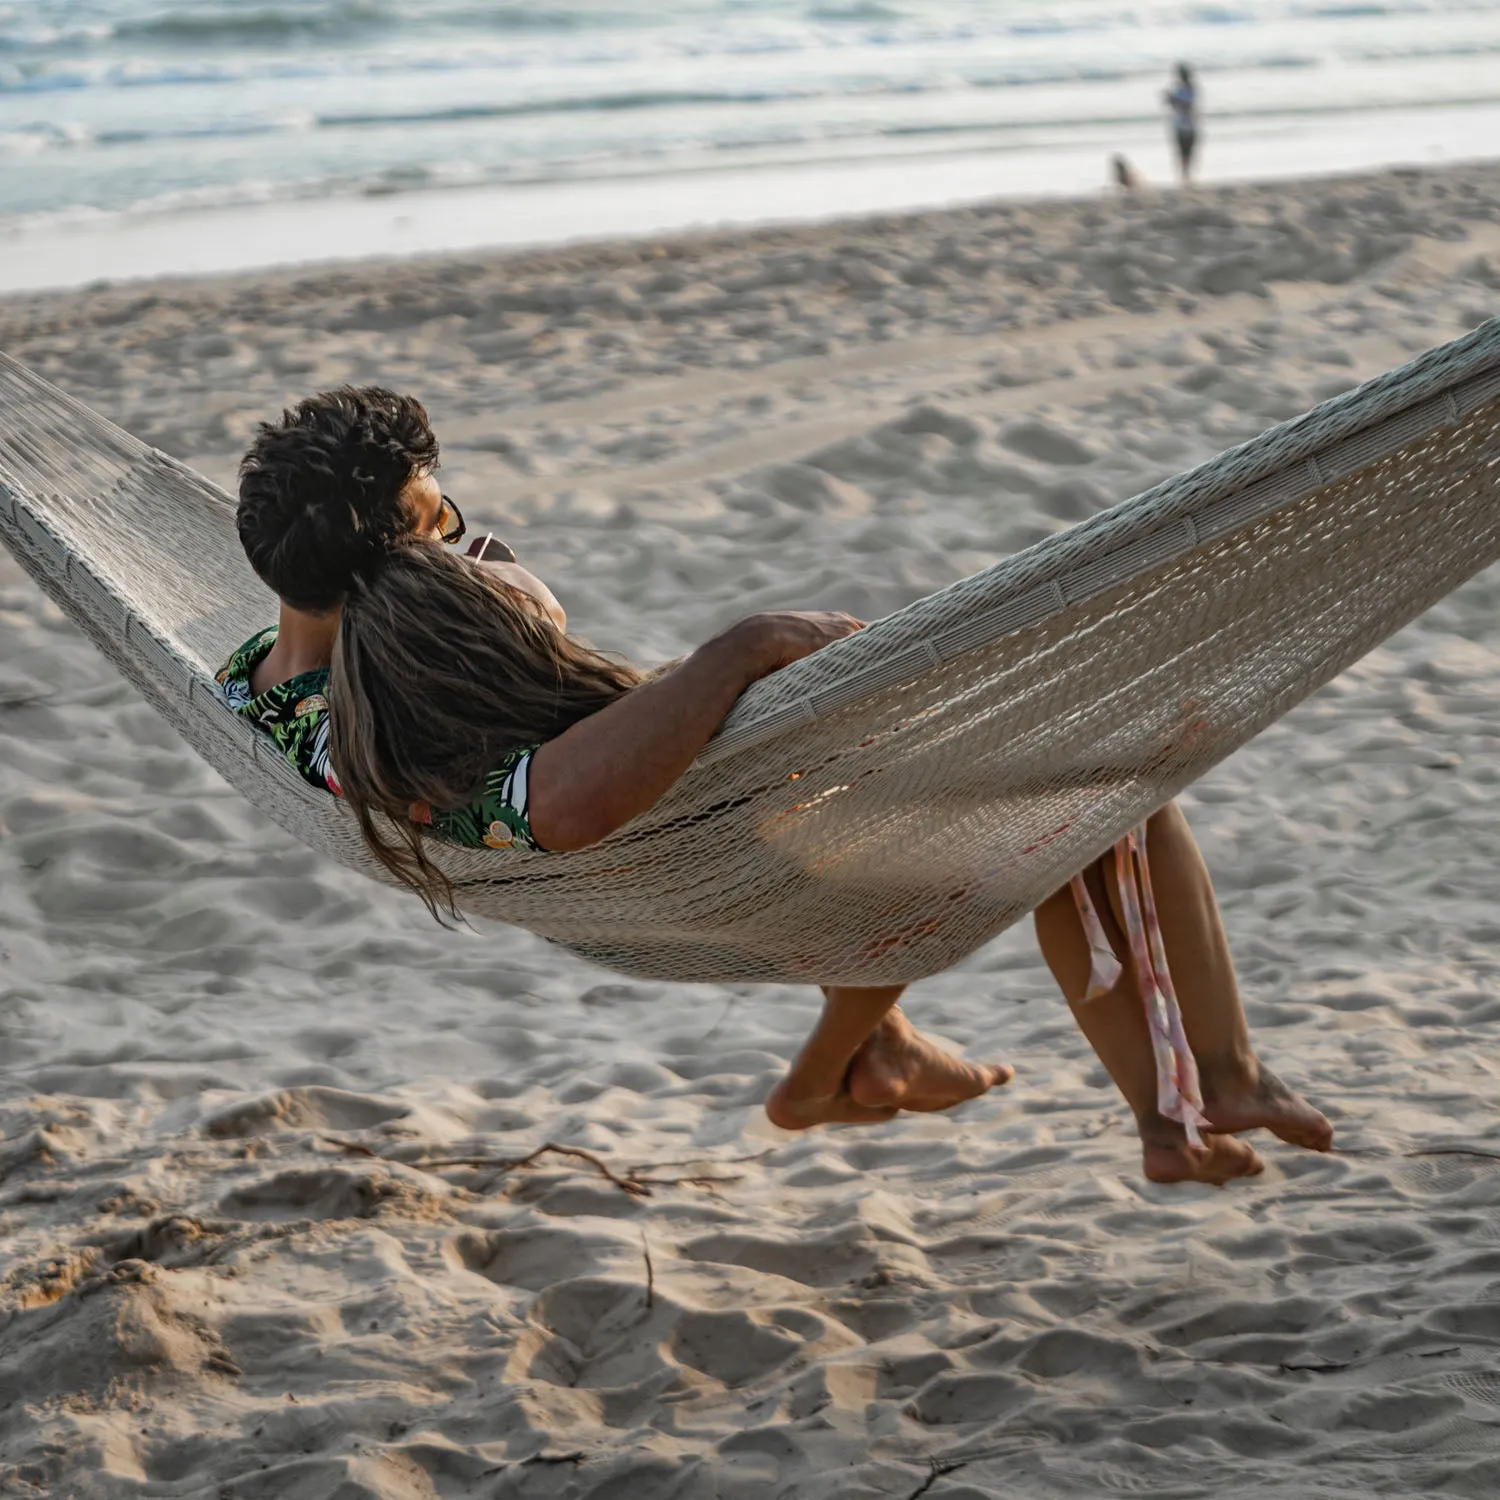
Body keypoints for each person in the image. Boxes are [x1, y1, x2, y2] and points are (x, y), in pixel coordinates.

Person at [221, 387, 1331, 1184]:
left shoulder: (267, 685)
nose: (467, 538)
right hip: (719, 871)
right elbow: (553, 806)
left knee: (1073, 792)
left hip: (697, 863)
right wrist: (738, 650)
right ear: (396, 555)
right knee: (1104, 789)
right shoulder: (378, 734)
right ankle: (1214, 1074)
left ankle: (951, 1076)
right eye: (444, 523)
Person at [1164, 63, 1199, 185]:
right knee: (1181, 152)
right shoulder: (1178, 89)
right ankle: (1184, 175)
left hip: (1188, 125)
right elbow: (1174, 105)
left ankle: (1186, 175)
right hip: (1180, 125)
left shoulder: (1190, 89)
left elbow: (1187, 105)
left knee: (1188, 152)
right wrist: (1170, 99)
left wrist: (1173, 100)